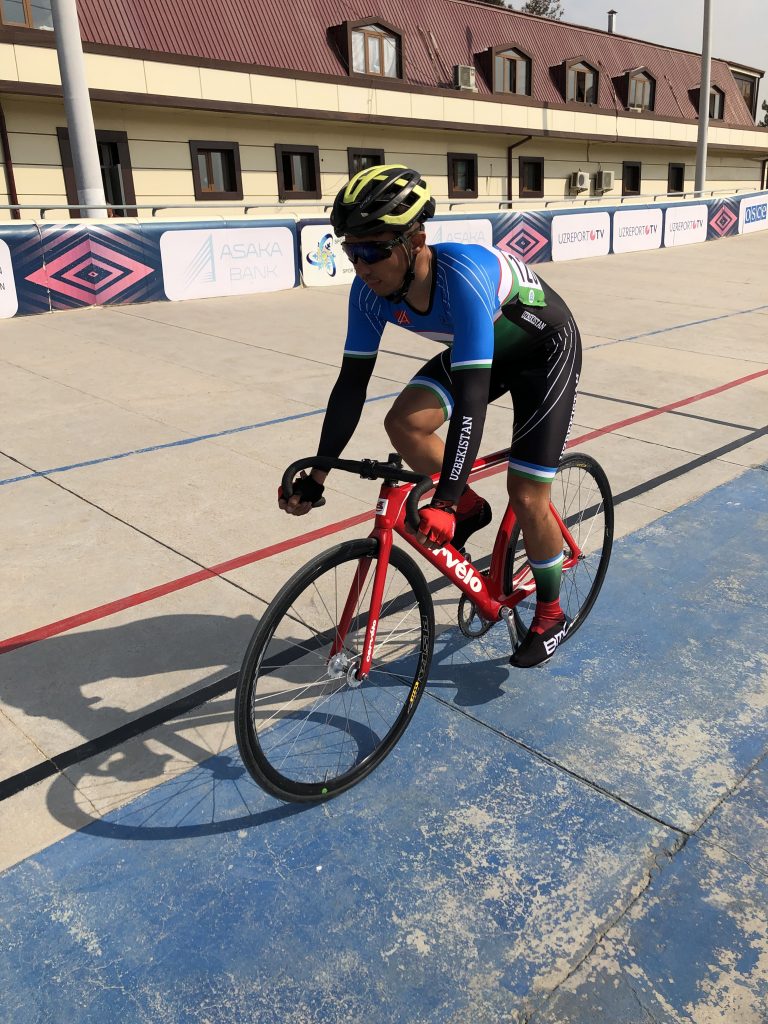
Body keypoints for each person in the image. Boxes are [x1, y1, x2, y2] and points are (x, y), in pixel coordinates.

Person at [279, 165, 581, 668]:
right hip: (481, 349)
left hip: (543, 351)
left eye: (374, 251)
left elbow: (471, 400)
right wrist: (317, 475)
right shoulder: (368, 294)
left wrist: (442, 498)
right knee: (403, 423)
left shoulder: (460, 277)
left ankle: (550, 613)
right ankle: (470, 508)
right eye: (351, 251)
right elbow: (350, 387)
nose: (361, 265)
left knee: (528, 495)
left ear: (415, 241)